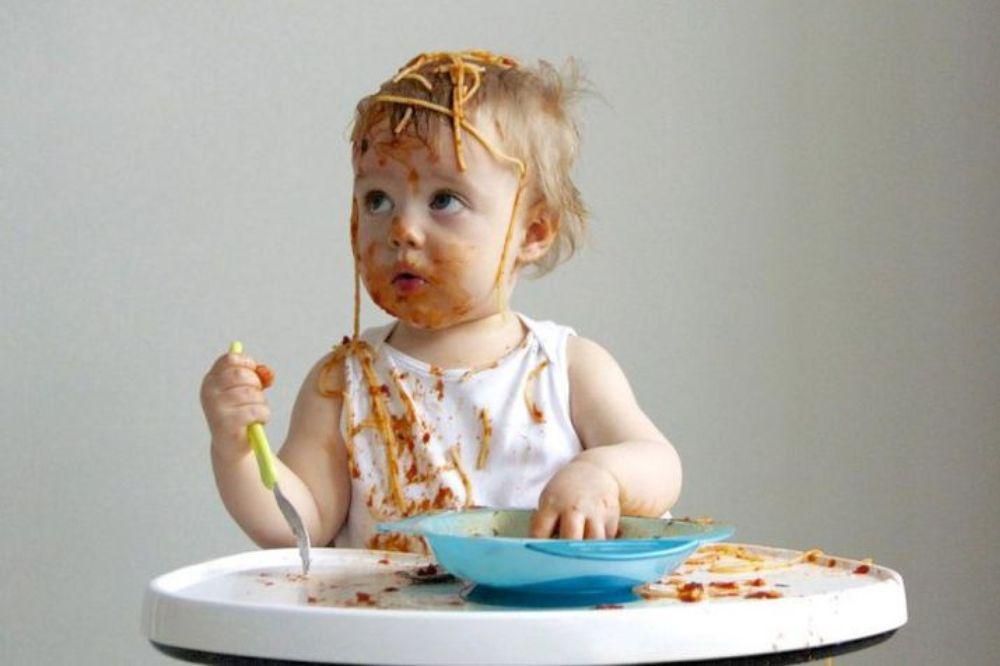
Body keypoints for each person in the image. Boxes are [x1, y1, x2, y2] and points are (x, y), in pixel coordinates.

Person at [200, 50, 682, 553]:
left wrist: (601, 473)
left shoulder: (567, 368)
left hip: (546, 606)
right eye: (377, 200)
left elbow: (660, 463)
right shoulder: (342, 384)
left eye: (444, 200)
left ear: (533, 232)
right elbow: (300, 525)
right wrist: (236, 450)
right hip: (389, 606)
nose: (401, 229)